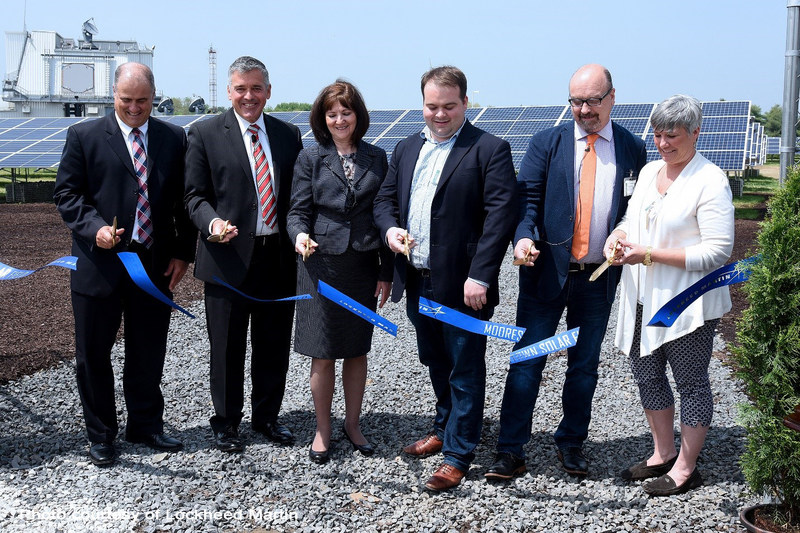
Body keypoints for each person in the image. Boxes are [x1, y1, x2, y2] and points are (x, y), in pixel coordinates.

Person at [485, 64, 647, 481]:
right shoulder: (545, 143)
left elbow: (635, 208)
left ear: (613, 97)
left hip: (598, 279)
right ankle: (510, 450)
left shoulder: (633, 148)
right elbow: (529, 202)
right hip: (544, 276)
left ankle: (571, 441)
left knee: (584, 365)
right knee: (527, 362)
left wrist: (626, 236)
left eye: (592, 100)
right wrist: (523, 237)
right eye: (575, 101)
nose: (583, 109)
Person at [374, 65, 516, 491]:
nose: (439, 114)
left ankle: (458, 453)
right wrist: (390, 229)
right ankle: (444, 426)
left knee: (465, 368)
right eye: (431, 106)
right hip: (417, 278)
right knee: (435, 359)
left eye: (449, 106)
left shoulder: (489, 149)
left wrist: (481, 275)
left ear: (465, 104)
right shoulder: (404, 149)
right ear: (422, 105)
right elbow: (384, 200)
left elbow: (500, 217)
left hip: (462, 285)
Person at [53, 62, 197, 466]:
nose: (134, 108)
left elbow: (185, 203)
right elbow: (67, 195)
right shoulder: (83, 135)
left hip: (153, 266)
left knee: (148, 350)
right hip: (99, 265)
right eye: (126, 100)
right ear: (112, 96)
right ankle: (101, 435)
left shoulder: (173, 137)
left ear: (154, 97)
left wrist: (184, 252)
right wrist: (95, 227)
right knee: (93, 354)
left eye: (143, 101)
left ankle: (146, 426)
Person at [607, 95, 734, 496]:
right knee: (647, 376)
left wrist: (648, 254)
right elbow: (631, 218)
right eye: (658, 134)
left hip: (686, 303)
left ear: (696, 132)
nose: (662, 143)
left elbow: (717, 252)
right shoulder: (648, 172)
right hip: (643, 298)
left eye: (672, 136)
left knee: (691, 382)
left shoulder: (710, 180)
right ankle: (662, 452)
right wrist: (618, 236)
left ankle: (686, 466)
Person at [184, 56, 303, 453]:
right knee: (227, 347)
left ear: (268, 91)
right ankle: (226, 422)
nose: (248, 96)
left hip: (277, 258)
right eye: (240, 88)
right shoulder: (203, 133)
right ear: (229, 91)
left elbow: (296, 199)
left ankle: (267, 417)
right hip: (226, 258)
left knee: (273, 344)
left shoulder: (288, 136)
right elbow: (194, 196)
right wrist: (212, 223)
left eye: (256, 88)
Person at [287, 80, 392, 464]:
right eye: (332, 114)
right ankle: (322, 428)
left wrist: (386, 271)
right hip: (321, 264)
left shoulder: (378, 157)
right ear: (323, 119)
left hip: (363, 264)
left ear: (357, 115)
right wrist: (299, 236)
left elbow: (386, 215)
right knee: (324, 351)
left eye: (346, 112)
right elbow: (297, 212)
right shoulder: (310, 159)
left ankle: (352, 423)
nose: (339, 119)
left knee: (357, 349)